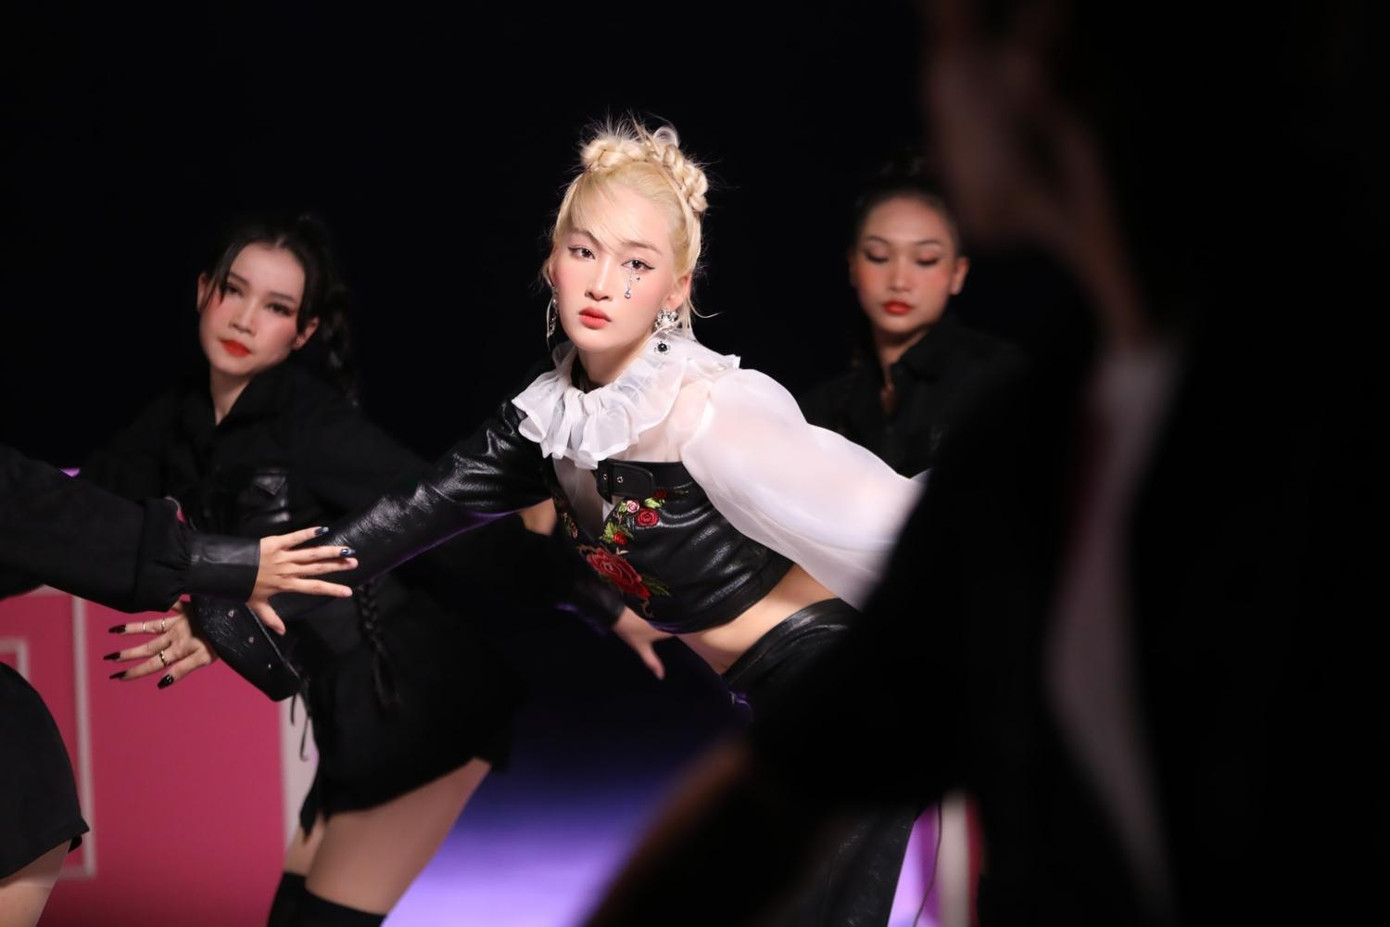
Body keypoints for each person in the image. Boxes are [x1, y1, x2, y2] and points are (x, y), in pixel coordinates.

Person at [578, 1, 1380, 925]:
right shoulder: (1032, 453)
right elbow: (790, 786)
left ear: (1037, 45)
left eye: (944, 33)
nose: (930, 85)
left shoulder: (1309, 404)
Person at [273, 120, 925, 926]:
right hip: (787, 701)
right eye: (584, 251)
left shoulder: (707, 408)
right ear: (552, 261)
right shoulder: (548, 421)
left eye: (637, 264)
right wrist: (250, 590)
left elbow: (887, 516)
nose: (603, 283)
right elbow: (413, 512)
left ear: (676, 289)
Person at [9, 213, 622, 927]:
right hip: (343, 722)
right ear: (204, 291)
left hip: (417, 707)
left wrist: (599, 600)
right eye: (234, 291)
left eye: (275, 307)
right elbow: (66, 519)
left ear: (300, 334)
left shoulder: (311, 423)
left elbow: (443, 521)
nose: (245, 320)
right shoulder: (172, 423)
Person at [0, 443, 355, 927]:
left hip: (386, 679)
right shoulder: (181, 423)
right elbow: (37, 514)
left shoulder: (304, 425)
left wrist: (214, 576)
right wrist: (219, 568)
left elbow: (46, 516)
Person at [799, 154, 1020, 478]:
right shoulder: (821, 410)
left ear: (958, 272)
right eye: (878, 256)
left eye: (925, 259)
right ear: (853, 265)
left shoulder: (1003, 381)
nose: (900, 281)